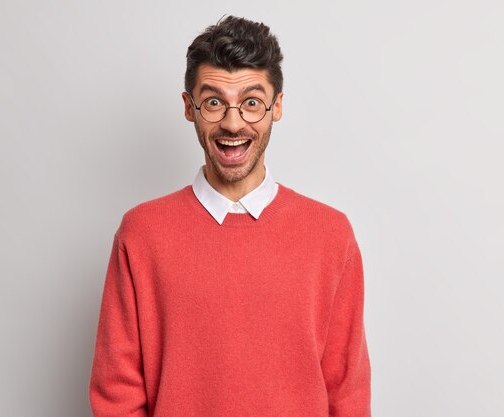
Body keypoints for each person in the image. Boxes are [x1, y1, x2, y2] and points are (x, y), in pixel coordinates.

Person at [89, 15, 371, 417]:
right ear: (190, 108)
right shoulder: (142, 234)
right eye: (214, 102)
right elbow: (116, 393)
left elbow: (347, 393)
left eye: (252, 103)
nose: (233, 123)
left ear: (277, 107)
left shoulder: (330, 235)